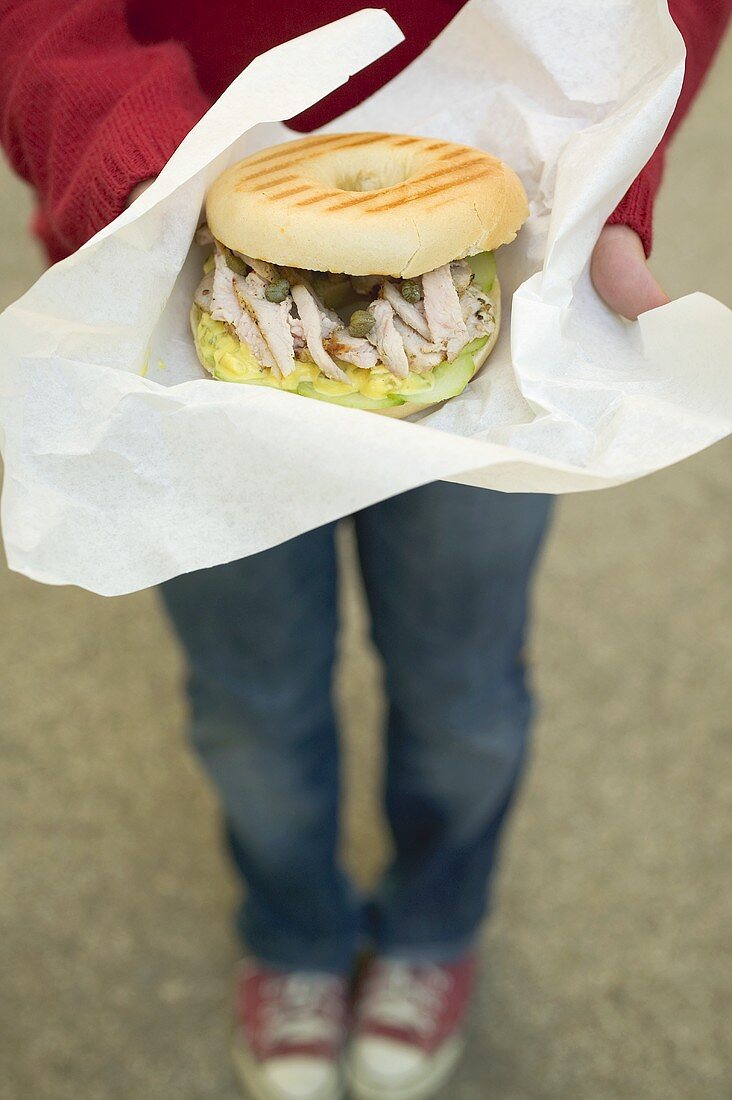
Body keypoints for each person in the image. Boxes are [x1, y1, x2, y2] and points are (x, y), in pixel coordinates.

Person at [1, 3, 729, 1099]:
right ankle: (294, 936)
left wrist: (604, 167)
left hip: (485, 280)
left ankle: (433, 925)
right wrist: (137, 157)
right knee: (249, 700)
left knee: (464, 688)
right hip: (169, 254)